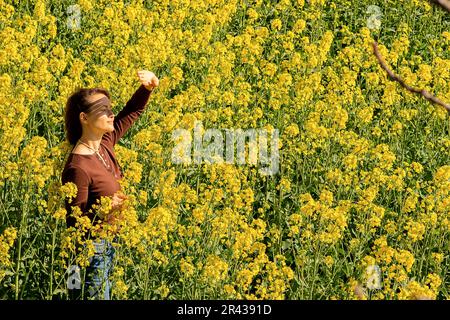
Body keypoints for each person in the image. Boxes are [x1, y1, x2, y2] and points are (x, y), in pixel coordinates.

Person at [61, 70, 159, 300]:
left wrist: (147, 88)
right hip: (91, 255)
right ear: (84, 118)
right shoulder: (78, 167)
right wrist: (104, 209)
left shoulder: (104, 143)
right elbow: (75, 225)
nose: (110, 113)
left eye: (109, 107)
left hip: (109, 245)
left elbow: (130, 113)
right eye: (102, 109)